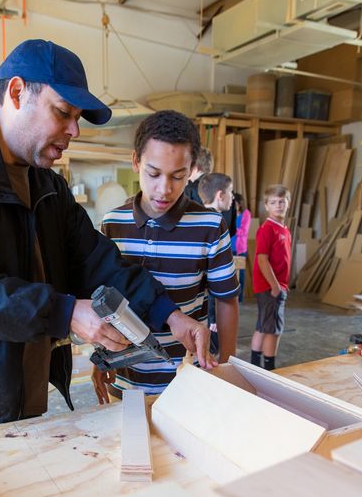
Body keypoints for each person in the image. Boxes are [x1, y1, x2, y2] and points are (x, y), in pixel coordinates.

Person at [0, 39, 213, 438]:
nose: (74, 130)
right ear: (16, 92)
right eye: (63, 113)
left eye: (77, 118)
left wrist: (168, 313)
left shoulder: (46, 184)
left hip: (19, 386)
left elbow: (95, 258)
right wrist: (66, 313)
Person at [91, 111, 239, 404]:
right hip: (126, 379)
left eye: (177, 176)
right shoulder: (112, 223)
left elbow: (226, 299)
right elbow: (103, 299)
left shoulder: (209, 225)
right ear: (136, 162)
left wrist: (226, 363)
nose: (164, 189)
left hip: (188, 381)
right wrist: (100, 357)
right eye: (153, 173)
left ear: (193, 170)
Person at [250, 184, 292, 371]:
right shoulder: (268, 229)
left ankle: (254, 366)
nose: (278, 206)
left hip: (276, 285)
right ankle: (269, 369)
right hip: (270, 287)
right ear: (266, 206)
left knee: (263, 326)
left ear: (288, 203)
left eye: (282, 202)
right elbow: (261, 259)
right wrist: (275, 286)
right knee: (273, 330)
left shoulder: (284, 229)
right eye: (273, 202)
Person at [197, 173, 237, 355]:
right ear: (220, 195)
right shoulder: (215, 224)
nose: (233, 197)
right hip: (210, 312)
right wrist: (214, 318)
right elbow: (213, 279)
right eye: (231, 192)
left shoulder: (197, 220)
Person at [231, 192, 251, 303]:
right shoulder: (229, 213)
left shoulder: (246, 214)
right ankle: (231, 297)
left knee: (241, 274)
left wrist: (231, 228)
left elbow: (243, 232)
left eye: (236, 203)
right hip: (228, 247)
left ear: (240, 204)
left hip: (240, 249)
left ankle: (239, 298)